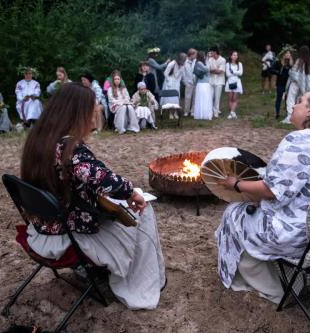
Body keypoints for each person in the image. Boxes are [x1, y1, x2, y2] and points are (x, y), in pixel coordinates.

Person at [20, 83, 165, 310]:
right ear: (78, 114)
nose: (94, 117)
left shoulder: (38, 139)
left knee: (116, 203)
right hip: (67, 233)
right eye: (92, 112)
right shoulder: (70, 147)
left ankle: (102, 271)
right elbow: (102, 178)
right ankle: (141, 282)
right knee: (144, 211)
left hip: (41, 225)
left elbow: (78, 179)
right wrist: (131, 193)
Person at [215, 89, 310, 304]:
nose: (293, 106)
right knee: (250, 209)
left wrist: (236, 184)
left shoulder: (300, 140)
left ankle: (276, 288)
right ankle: (285, 277)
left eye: (299, 102)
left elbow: (272, 191)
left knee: (234, 213)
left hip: (299, 235)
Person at [284, 45, 310, 123]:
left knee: (290, 99)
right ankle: (300, 116)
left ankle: (290, 116)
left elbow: (294, 73)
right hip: (304, 85)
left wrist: (290, 71)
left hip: (295, 83)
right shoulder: (309, 61)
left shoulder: (299, 60)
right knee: (299, 100)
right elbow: (308, 76)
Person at [270, 49, 293, 119]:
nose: (288, 55)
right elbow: (271, 70)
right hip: (280, 83)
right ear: (284, 55)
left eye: (289, 54)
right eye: (286, 54)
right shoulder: (279, 62)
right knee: (279, 98)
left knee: (288, 99)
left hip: (288, 84)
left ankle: (288, 113)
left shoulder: (291, 64)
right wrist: (278, 72)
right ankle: (277, 113)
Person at [193, 51, 213, 120]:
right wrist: (208, 60)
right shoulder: (199, 63)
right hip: (201, 84)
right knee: (202, 99)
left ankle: (205, 114)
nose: (205, 57)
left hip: (206, 84)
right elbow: (206, 69)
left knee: (206, 99)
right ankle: (201, 115)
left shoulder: (203, 63)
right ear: (202, 56)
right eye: (204, 55)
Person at [207, 46, 226, 118]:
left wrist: (213, 70)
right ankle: (210, 111)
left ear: (215, 52)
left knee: (217, 98)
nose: (210, 53)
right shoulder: (210, 59)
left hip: (219, 81)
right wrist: (215, 69)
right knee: (210, 97)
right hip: (211, 81)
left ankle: (216, 112)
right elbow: (208, 70)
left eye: (211, 52)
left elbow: (220, 71)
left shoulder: (222, 60)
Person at [225, 51, 244, 119]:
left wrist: (233, 72)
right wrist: (237, 72)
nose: (235, 56)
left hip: (237, 82)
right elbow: (227, 74)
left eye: (236, 55)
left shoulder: (239, 64)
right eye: (234, 55)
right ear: (231, 56)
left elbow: (241, 73)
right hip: (229, 82)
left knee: (234, 98)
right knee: (230, 98)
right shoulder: (227, 64)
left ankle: (232, 112)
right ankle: (232, 112)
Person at [182, 48, 198, 117]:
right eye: (195, 55)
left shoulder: (196, 61)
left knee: (195, 97)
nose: (196, 56)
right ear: (191, 54)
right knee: (187, 97)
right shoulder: (185, 62)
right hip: (188, 82)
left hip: (195, 82)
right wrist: (185, 82)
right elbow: (183, 74)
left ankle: (193, 111)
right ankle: (186, 111)